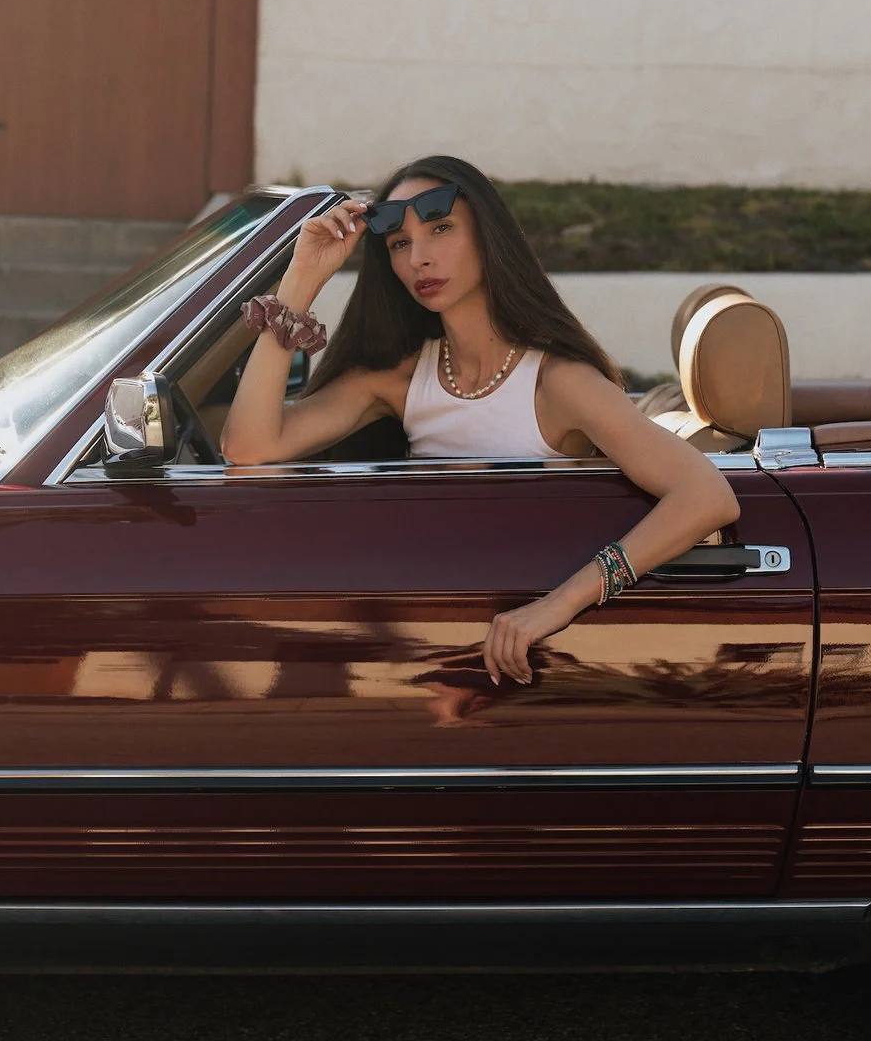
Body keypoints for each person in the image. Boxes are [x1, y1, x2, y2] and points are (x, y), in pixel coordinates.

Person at [222, 155, 740, 687]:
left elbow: (706, 495)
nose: (419, 258)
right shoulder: (397, 381)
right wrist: (300, 282)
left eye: (440, 229)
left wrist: (559, 604)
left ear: (488, 237)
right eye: (400, 243)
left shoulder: (559, 382)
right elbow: (250, 447)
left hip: (546, 664)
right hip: (430, 660)